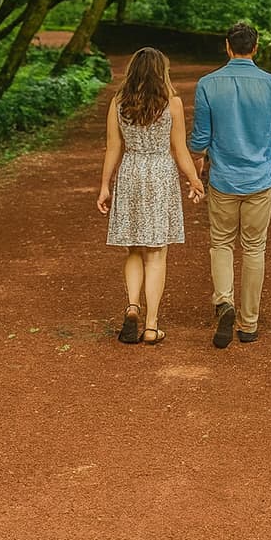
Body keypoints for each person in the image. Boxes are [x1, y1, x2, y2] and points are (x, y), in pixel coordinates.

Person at [189, 22, 271, 349]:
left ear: (227, 46)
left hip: (223, 179)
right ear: (256, 47)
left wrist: (196, 170)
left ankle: (225, 302)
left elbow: (200, 139)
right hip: (260, 178)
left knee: (221, 242)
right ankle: (248, 323)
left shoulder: (208, 84)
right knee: (254, 247)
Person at [97, 47, 204, 345]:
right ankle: (151, 325)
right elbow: (179, 149)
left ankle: (132, 306)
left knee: (133, 248)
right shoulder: (173, 105)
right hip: (159, 175)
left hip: (131, 171)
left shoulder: (118, 103)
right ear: (162, 72)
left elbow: (113, 147)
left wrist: (105, 184)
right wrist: (194, 180)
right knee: (156, 253)